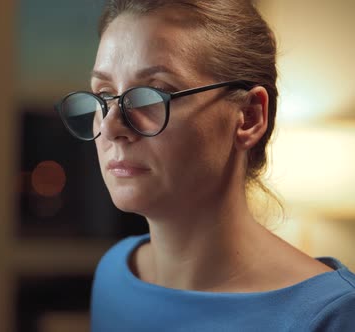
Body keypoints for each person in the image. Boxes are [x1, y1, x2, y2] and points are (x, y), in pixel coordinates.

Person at [54, 0, 355, 331]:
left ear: (249, 117)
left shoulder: (331, 315)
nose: (111, 127)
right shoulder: (115, 274)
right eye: (105, 93)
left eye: (153, 94)